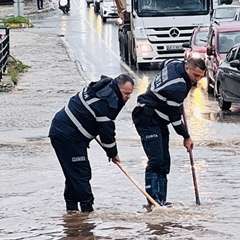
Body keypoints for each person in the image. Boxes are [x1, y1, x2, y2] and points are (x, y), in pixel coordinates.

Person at [49, 74, 136, 212]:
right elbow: (107, 132)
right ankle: (87, 212)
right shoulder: (107, 100)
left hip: (71, 134)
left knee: (73, 174)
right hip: (67, 135)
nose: (128, 97)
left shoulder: (106, 88)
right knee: (81, 173)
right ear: (118, 88)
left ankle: (72, 213)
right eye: (125, 93)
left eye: (130, 94)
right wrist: (113, 153)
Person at [131, 57, 206, 206]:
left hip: (159, 118)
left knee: (165, 162)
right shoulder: (177, 87)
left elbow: (164, 63)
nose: (197, 80)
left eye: (200, 77)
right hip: (147, 117)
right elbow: (175, 119)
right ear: (187, 68)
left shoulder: (175, 64)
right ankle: (153, 202)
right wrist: (186, 136)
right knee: (156, 160)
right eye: (195, 75)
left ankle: (162, 200)